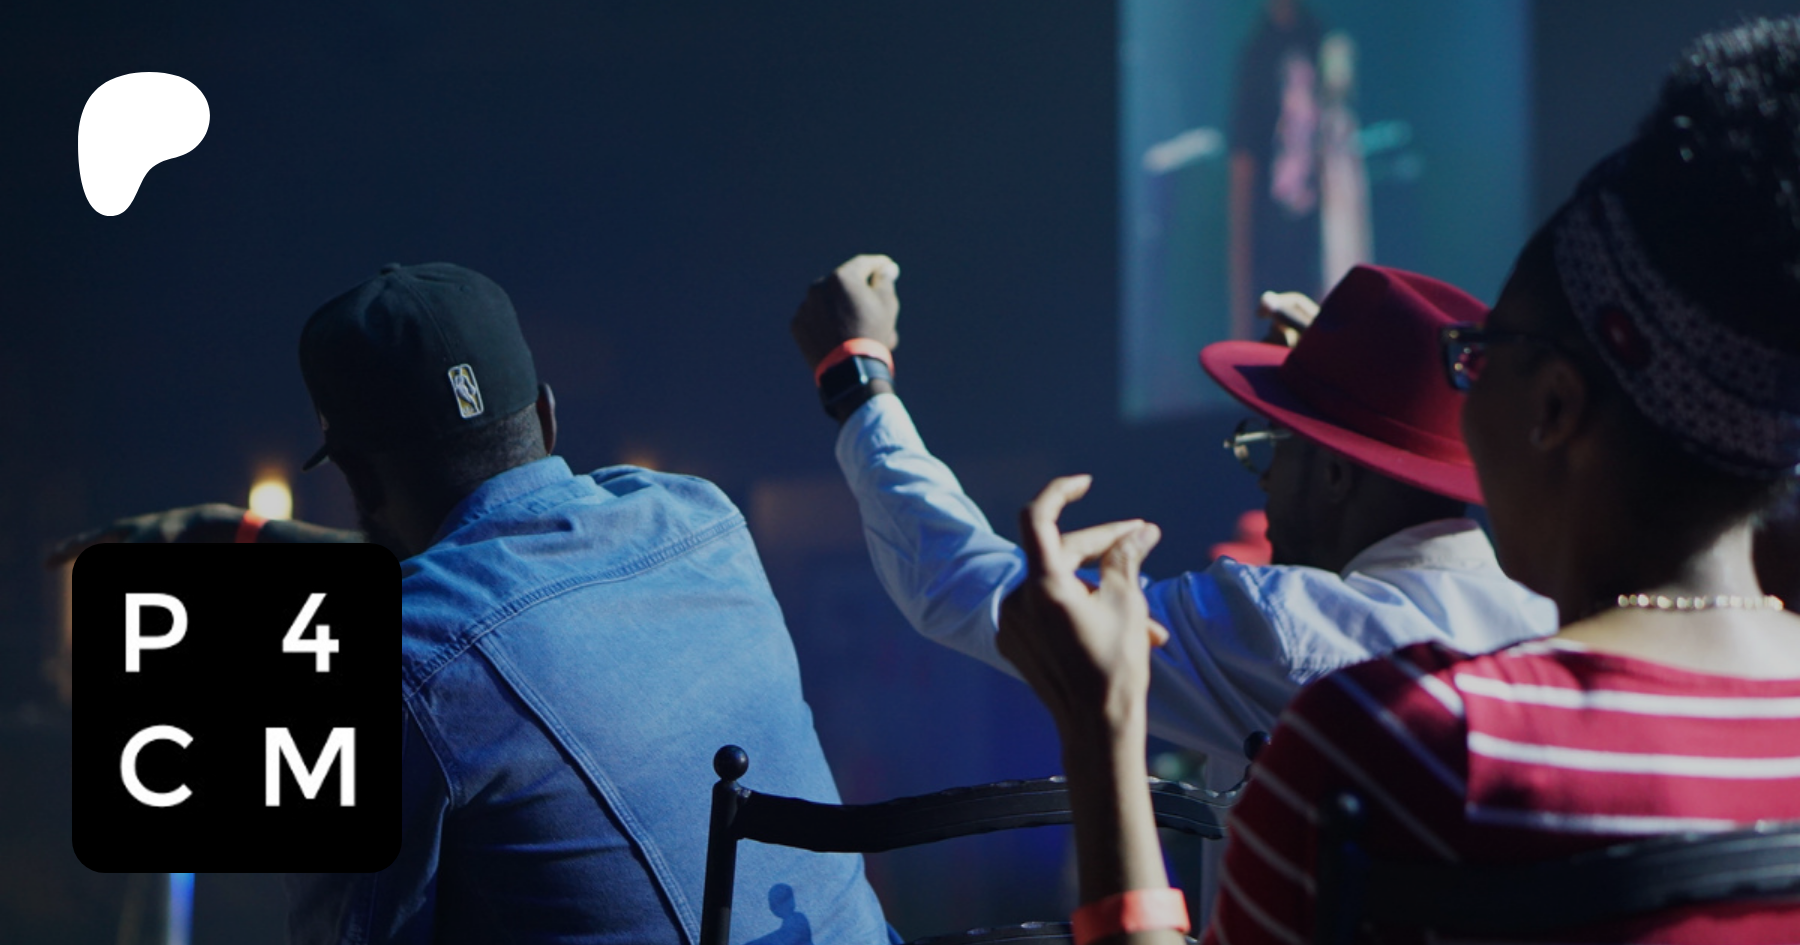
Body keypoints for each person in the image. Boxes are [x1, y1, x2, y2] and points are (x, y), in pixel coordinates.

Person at [1000, 17, 1800, 944]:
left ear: (1553, 406)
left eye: (1473, 357)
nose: (1460, 394)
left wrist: (1102, 727)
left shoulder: (1401, 742)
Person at [52, 263, 891, 945]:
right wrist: (250, 536)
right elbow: (506, 582)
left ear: (358, 478)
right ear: (547, 417)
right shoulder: (697, 515)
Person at [789, 256, 1559, 918]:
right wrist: (1342, 383)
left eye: (1274, 448)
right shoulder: (1548, 622)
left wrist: (857, 378)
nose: (1262, 480)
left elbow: (961, 584)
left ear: (1333, 473)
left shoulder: (1284, 628)